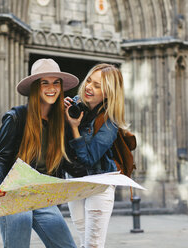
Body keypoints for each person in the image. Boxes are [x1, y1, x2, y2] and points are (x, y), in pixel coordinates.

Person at [0, 58, 79, 248]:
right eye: (44, 82)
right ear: (35, 87)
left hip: (40, 194)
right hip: (13, 192)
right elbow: (1, 156)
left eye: (56, 83)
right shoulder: (16, 117)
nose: (51, 88)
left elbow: (74, 165)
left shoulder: (61, 123)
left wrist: (75, 127)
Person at [63, 64, 128, 248]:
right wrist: (58, 116)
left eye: (97, 86)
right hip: (74, 179)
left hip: (100, 181)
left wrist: (74, 127)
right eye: (89, 81)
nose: (89, 87)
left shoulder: (110, 122)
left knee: (93, 244)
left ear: (108, 93)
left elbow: (89, 158)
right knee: (83, 237)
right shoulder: (73, 105)